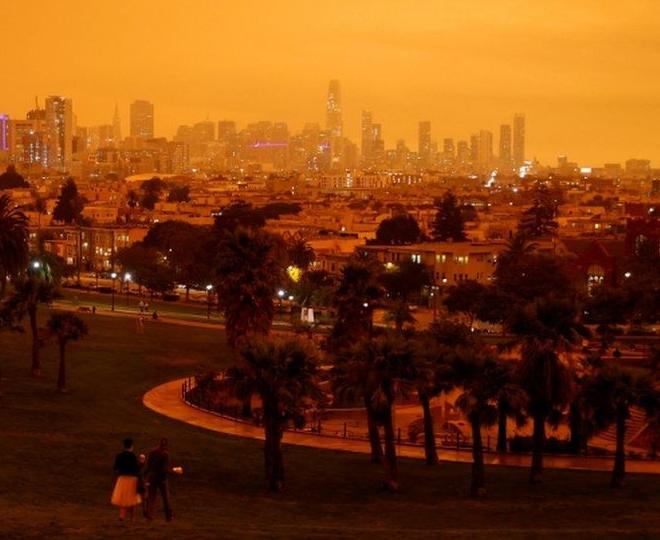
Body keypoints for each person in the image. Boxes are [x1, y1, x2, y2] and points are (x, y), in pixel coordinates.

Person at [111, 438, 142, 521]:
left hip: (122, 478)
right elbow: (136, 468)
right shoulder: (133, 456)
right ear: (131, 446)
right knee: (132, 498)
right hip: (132, 478)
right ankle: (132, 517)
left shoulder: (119, 456)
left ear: (123, 446)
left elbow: (115, 468)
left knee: (122, 498)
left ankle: (121, 516)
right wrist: (142, 463)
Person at [144, 438, 174, 521]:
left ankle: (149, 516)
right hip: (162, 479)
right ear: (166, 445)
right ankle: (169, 516)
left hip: (152, 477)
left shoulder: (152, 452)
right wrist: (173, 471)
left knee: (151, 498)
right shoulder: (166, 454)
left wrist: (145, 476)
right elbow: (165, 469)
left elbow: (149, 466)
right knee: (166, 498)